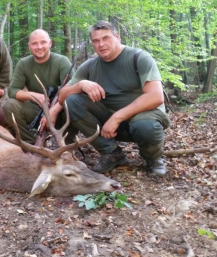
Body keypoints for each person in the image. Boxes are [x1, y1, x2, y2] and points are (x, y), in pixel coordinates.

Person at [58, 20, 170, 176]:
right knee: (72, 101)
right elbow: (62, 98)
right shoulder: (90, 66)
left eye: (106, 38)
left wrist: (117, 117)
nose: (101, 44)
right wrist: (80, 85)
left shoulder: (139, 57)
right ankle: (112, 153)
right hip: (108, 124)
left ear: (117, 37)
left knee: (145, 126)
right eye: (96, 41)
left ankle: (153, 159)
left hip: (142, 118)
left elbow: (156, 97)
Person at [2, 29, 72, 144]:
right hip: (37, 111)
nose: (39, 47)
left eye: (43, 42)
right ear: (29, 46)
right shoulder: (24, 64)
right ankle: (29, 144)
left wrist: (53, 111)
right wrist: (32, 95)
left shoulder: (62, 61)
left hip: (62, 111)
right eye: (34, 43)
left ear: (50, 43)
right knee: (9, 105)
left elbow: (73, 89)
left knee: (75, 102)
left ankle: (68, 145)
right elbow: (12, 91)